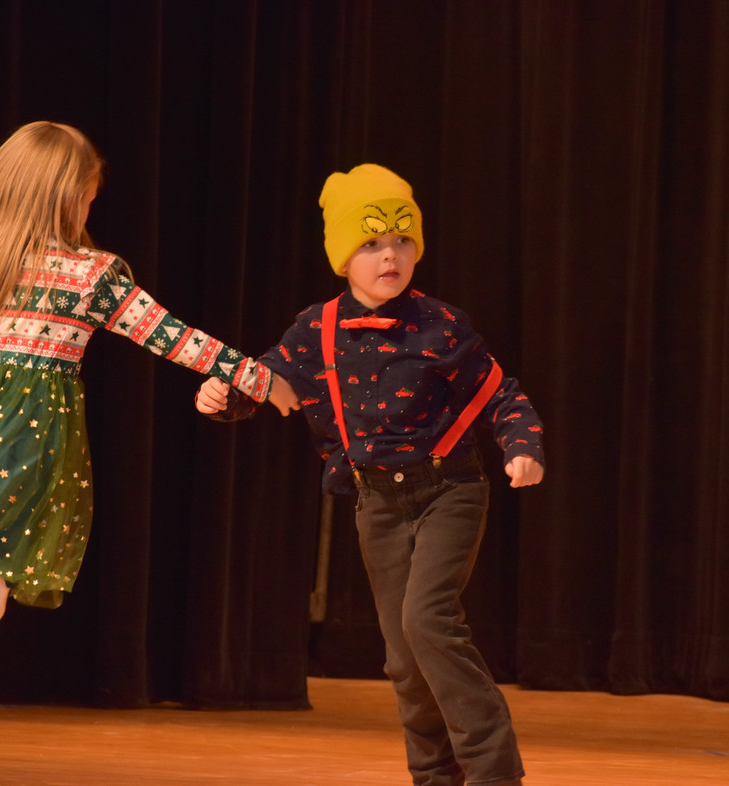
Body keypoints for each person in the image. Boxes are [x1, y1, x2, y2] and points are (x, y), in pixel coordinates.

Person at [0, 121, 294, 786]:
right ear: (68, 196)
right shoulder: (91, 274)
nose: (90, 209)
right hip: (24, 434)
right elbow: (171, 336)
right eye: (90, 197)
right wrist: (255, 376)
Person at [195, 163, 544, 786]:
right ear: (342, 256)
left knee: (427, 621)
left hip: (448, 490)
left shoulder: (440, 323)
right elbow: (267, 379)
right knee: (404, 658)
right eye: (373, 242)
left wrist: (522, 444)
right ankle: (435, 776)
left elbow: (501, 392)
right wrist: (225, 396)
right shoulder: (316, 328)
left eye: (403, 240)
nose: (391, 255)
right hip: (376, 502)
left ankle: (494, 774)